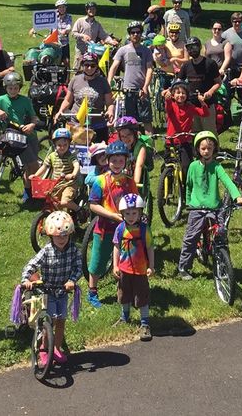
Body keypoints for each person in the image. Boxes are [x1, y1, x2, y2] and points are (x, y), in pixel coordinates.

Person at [177, 132, 242, 279]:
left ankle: (223, 265)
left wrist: (237, 196)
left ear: (214, 148)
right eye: (203, 148)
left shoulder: (217, 167)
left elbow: (228, 182)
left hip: (214, 207)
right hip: (197, 208)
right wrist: (189, 201)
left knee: (221, 235)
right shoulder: (193, 166)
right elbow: (188, 185)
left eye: (209, 148)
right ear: (198, 149)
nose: (206, 151)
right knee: (191, 237)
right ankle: (184, 267)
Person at [21, 211, 82, 367]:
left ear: (70, 235)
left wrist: (72, 280)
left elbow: (79, 267)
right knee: (51, 320)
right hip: (47, 292)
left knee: (61, 321)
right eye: (57, 236)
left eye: (65, 236)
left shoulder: (73, 250)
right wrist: (26, 279)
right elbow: (31, 265)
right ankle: (44, 348)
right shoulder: (46, 251)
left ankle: (56, 347)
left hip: (62, 292)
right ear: (50, 236)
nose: (61, 239)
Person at [86, 141, 139, 308]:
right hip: (104, 228)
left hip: (125, 229)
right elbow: (93, 204)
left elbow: (135, 202)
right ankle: (92, 291)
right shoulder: (100, 181)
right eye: (113, 161)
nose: (117, 164)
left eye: (121, 161)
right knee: (97, 261)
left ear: (126, 162)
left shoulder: (129, 182)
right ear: (107, 161)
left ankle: (124, 289)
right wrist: (111, 215)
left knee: (125, 259)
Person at [0, 73, 42, 196]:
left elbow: (34, 117)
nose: (13, 91)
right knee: (30, 164)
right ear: (6, 88)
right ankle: (28, 192)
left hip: (29, 135)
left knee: (32, 166)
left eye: (15, 88)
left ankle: (32, 190)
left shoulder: (25, 100)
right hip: (14, 135)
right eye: (10, 88)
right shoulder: (2, 99)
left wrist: (32, 125)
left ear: (19, 88)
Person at [112, 193, 154, 341]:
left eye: (134, 213)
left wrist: (151, 266)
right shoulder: (120, 228)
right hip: (124, 269)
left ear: (140, 213)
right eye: (127, 213)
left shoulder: (144, 229)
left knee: (142, 295)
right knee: (124, 294)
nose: (131, 216)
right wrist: (115, 265)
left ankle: (145, 323)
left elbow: (149, 248)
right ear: (122, 214)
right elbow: (116, 247)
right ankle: (124, 317)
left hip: (140, 269)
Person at [109, 21, 155, 127]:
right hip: (128, 90)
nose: (135, 35)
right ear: (129, 34)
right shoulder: (123, 50)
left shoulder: (146, 51)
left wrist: (145, 86)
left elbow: (149, 69)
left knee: (147, 121)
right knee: (130, 121)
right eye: (133, 32)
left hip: (142, 90)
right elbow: (113, 67)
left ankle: (149, 142)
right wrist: (109, 82)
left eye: (138, 32)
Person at [59, 56, 114, 141]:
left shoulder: (103, 82)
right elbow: (67, 100)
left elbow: (109, 103)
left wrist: (110, 111)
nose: (89, 68)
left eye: (93, 66)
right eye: (86, 65)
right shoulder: (75, 80)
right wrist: (61, 111)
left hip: (97, 124)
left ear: (97, 67)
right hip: (76, 123)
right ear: (82, 66)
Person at [35, 127, 81, 211]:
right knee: (55, 204)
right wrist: (35, 176)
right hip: (56, 184)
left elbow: (76, 165)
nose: (62, 147)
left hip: (69, 184)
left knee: (64, 202)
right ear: (55, 145)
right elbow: (44, 167)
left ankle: (79, 210)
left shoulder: (70, 156)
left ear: (69, 144)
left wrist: (73, 174)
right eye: (59, 145)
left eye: (65, 145)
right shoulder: (52, 156)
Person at [71, 1, 112, 66]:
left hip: (92, 51)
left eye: (94, 9)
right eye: (90, 9)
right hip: (80, 50)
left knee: (91, 70)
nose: (92, 11)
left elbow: (104, 35)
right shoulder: (80, 21)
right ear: (86, 10)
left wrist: (111, 41)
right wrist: (82, 36)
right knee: (77, 70)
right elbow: (73, 33)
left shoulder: (97, 24)